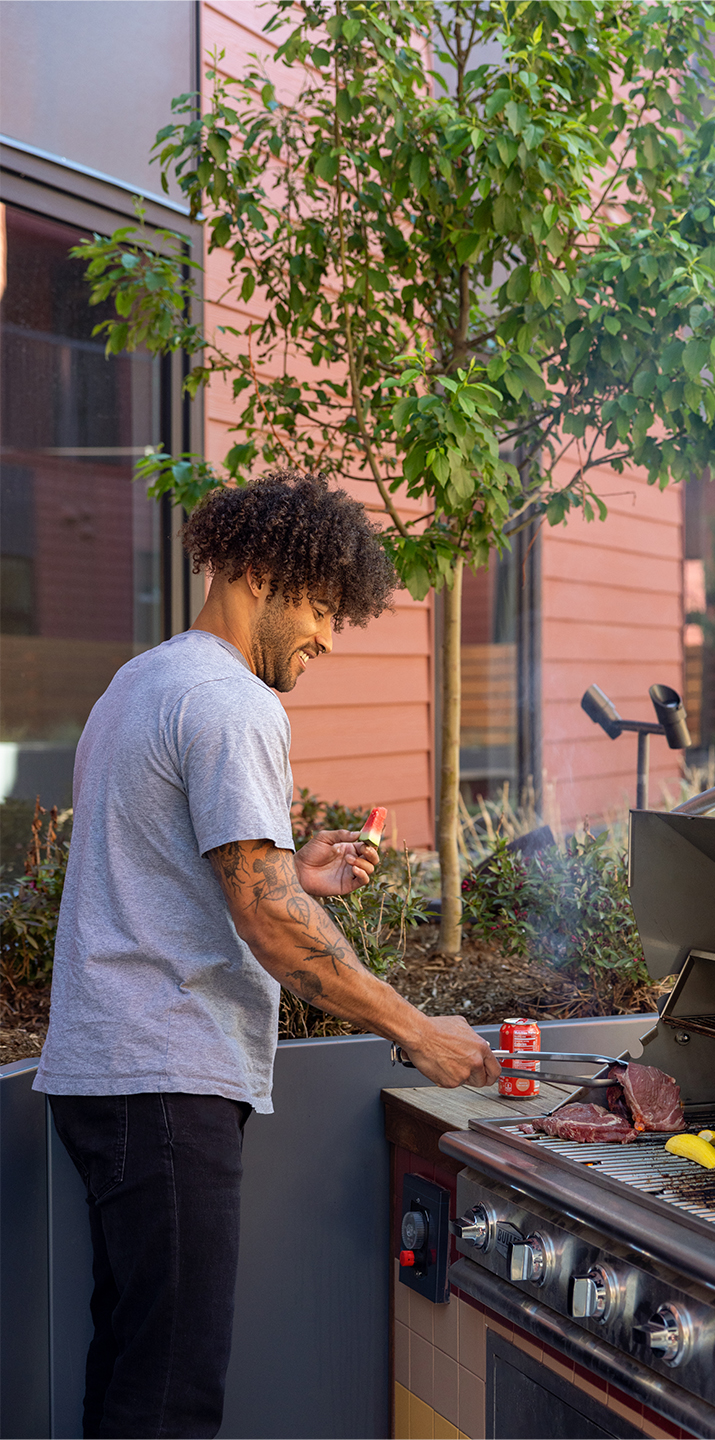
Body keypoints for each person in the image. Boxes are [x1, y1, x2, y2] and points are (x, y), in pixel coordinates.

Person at [34, 471, 499, 1439]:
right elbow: (270, 921)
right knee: (173, 1394)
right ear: (256, 571)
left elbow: (184, 868)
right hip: (165, 1083)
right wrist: (418, 1031)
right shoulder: (234, 703)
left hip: (103, 1078)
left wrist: (296, 868)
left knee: (129, 1366)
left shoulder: (140, 682)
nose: (329, 635)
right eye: (323, 607)